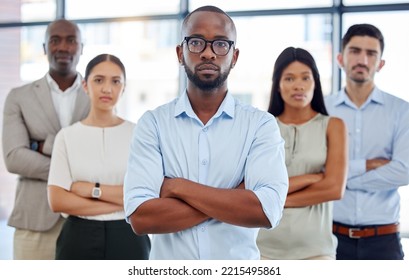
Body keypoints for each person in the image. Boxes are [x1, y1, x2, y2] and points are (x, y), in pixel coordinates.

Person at [123, 5, 288, 260]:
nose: (209, 53)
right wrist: (234, 196)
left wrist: (177, 187)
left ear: (234, 56)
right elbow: (142, 218)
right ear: (180, 53)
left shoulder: (260, 125)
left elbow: (266, 212)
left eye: (221, 44)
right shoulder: (153, 124)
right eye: (197, 42)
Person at [47, 54, 151, 260]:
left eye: (115, 81)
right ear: (85, 85)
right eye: (98, 80)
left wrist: (90, 189)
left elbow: (146, 195)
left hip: (129, 236)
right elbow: (57, 200)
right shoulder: (66, 137)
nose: (107, 88)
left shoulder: (139, 134)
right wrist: (122, 201)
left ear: (124, 87)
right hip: (77, 236)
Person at [2, 19, 90, 259]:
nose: (63, 47)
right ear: (44, 47)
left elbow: (103, 156)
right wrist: (75, 169)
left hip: (88, 221)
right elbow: (14, 158)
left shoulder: (99, 97)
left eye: (71, 40)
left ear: (82, 47)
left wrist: (42, 146)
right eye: (55, 40)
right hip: (34, 222)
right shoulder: (19, 97)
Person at [325, 23, 409, 260]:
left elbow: (404, 171)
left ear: (380, 64)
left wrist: (338, 181)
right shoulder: (322, 110)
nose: (362, 59)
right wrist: (368, 164)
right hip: (330, 239)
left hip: (384, 242)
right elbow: (316, 167)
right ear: (341, 58)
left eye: (371, 53)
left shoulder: (402, 111)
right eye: (355, 51)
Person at [256, 47, 347, 260]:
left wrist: (275, 199)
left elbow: (334, 188)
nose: (298, 85)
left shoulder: (333, 126)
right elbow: (251, 188)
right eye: (289, 78)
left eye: (305, 78)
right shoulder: (261, 127)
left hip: (316, 252)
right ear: (277, 85)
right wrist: (311, 178)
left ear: (315, 83)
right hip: (263, 250)